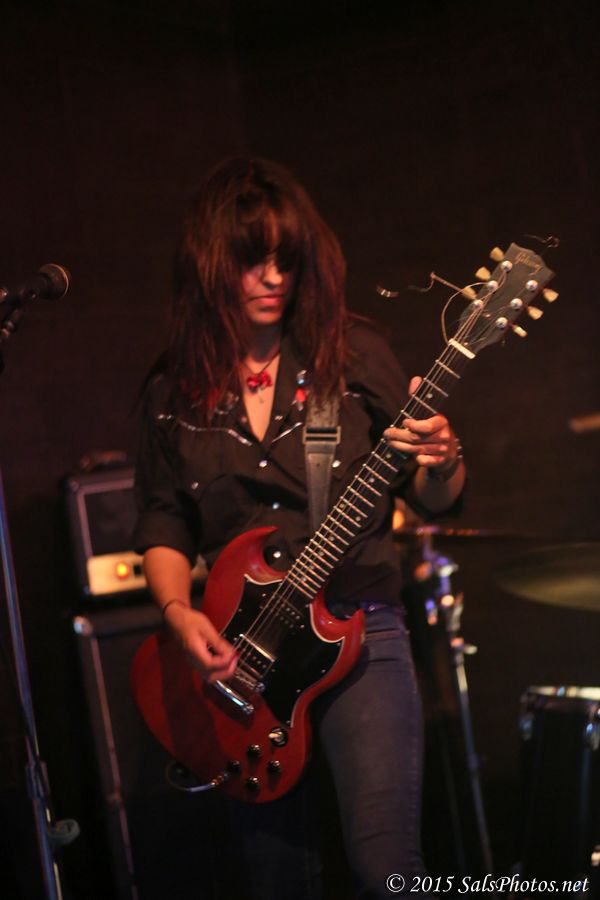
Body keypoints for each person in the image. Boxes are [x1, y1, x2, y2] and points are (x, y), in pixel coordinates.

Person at [133, 157, 466, 900]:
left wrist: (443, 458)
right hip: (241, 663)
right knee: (280, 883)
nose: (274, 277)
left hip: (358, 629)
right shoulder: (171, 390)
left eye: (287, 260)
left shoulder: (352, 356)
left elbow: (432, 498)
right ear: (212, 264)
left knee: (386, 871)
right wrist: (179, 614)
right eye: (253, 260)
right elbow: (162, 520)